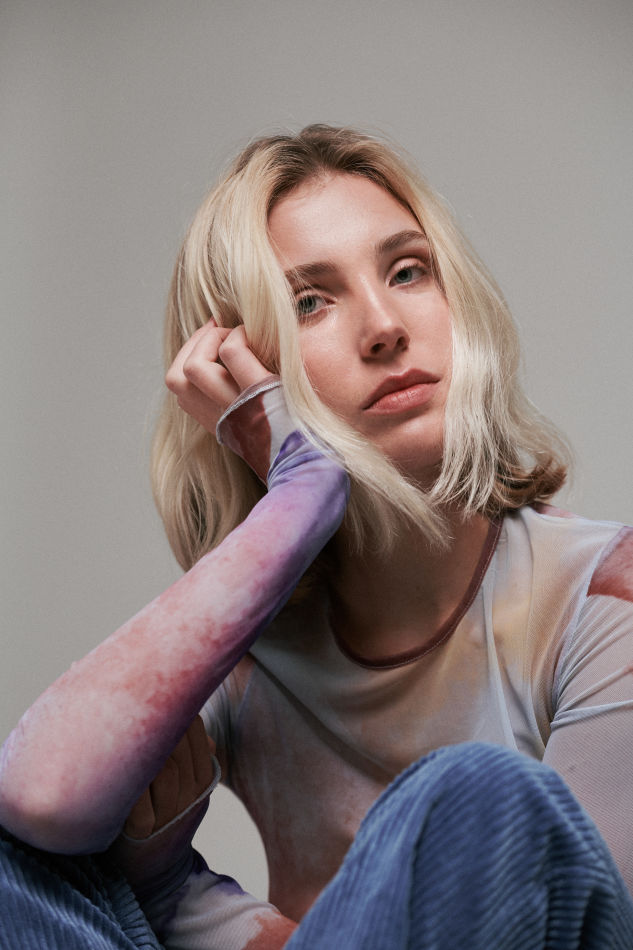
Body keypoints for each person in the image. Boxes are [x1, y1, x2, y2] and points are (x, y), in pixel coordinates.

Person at [1, 124, 633, 950]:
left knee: (476, 797)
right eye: (309, 302)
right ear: (236, 374)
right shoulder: (252, 649)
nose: (383, 327)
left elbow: (591, 924)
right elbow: (41, 797)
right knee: (19, 858)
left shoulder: (600, 596)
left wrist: (172, 896)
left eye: (407, 271)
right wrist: (302, 491)